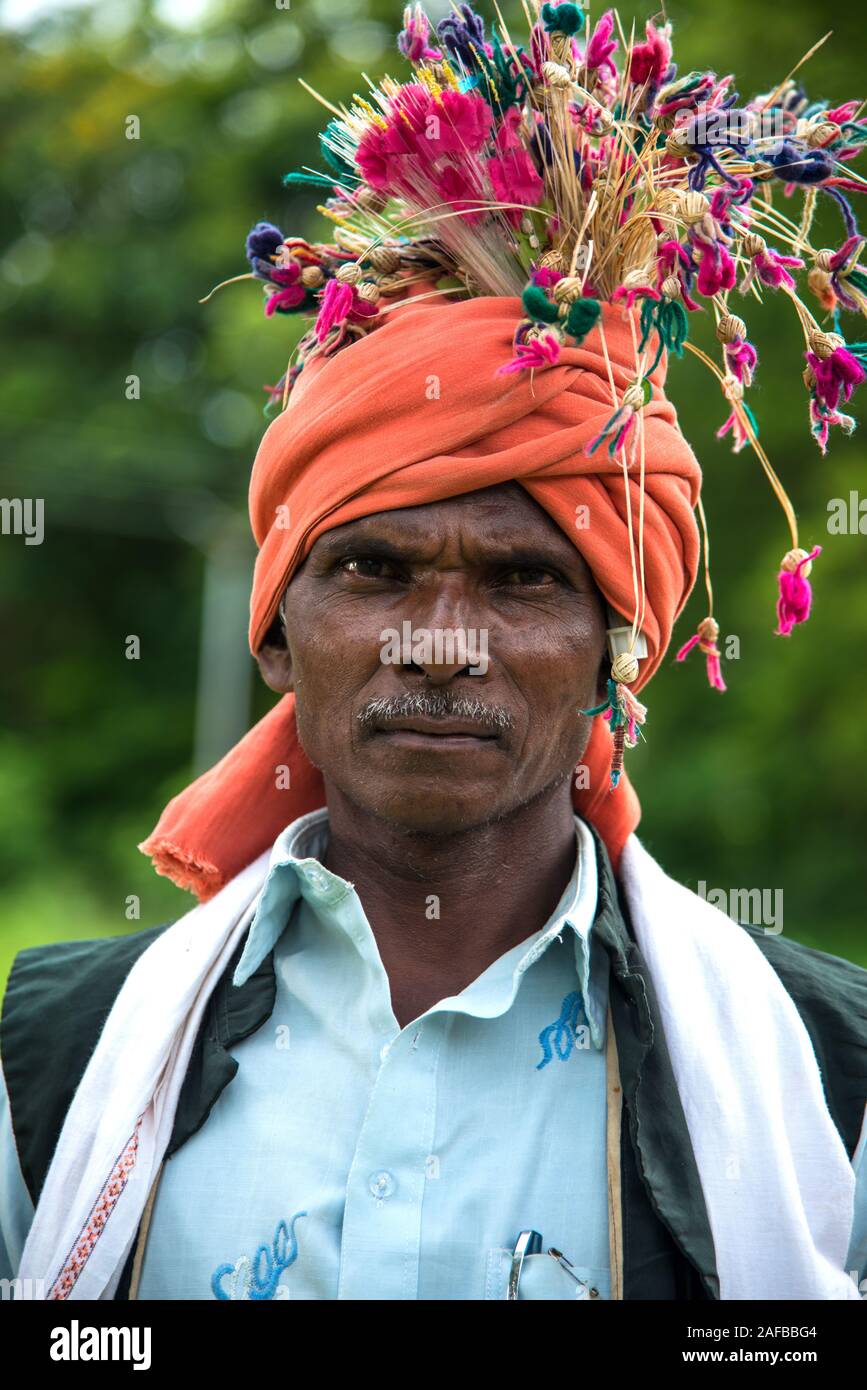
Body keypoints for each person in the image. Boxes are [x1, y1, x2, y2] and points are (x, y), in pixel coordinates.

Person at [2, 3, 866, 1302]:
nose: (442, 643)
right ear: (277, 633)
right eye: (375, 571)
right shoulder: (51, 1064)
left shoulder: (832, 1083)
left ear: (618, 649)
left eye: (524, 580)